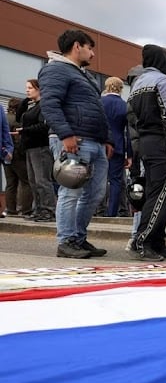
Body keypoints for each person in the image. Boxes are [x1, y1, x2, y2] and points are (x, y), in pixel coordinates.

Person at [38, 29, 112, 259]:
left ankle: (78, 238)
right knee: (71, 192)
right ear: (77, 46)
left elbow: (97, 109)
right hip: (74, 141)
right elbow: (50, 104)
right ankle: (66, 241)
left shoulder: (83, 75)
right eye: (90, 48)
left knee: (96, 194)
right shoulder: (55, 69)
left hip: (94, 141)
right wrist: (65, 134)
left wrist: (107, 139)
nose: (92, 54)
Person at [126, 44, 166, 261]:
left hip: (145, 141)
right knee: (161, 195)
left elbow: (131, 117)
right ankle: (144, 241)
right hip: (162, 143)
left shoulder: (138, 83)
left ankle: (156, 241)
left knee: (154, 192)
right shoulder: (163, 82)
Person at [18, 80, 55, 222]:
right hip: (30, 147)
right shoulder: (31, 106)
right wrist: (24, 101)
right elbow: (19, 116)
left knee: (42, 180)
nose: (27, 90)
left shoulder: (43, 106)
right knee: (33, 181)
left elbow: (44, 126)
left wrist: (25, 130)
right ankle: (39, 209)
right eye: (26, 88)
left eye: (30, 88)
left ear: (39, 89)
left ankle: (48, 209)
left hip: (40, 146)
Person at [100, 77, 128, 217]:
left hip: (100, 142)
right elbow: (129, 131)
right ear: (121, 88)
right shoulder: (124, 105)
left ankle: (97, 209)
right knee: (116, 181)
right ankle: (112, 212)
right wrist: (129, 154)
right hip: (118, 145)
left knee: (98, 178)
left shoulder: (99, 102)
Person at [4, 98, 31, 218]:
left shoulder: (4, 118)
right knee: (26, 181)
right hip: (17, 153)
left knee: (10, 183)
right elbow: (19, 139)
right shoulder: (18, 120)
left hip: (5, 154)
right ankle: (26, 210)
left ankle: (11, 209)